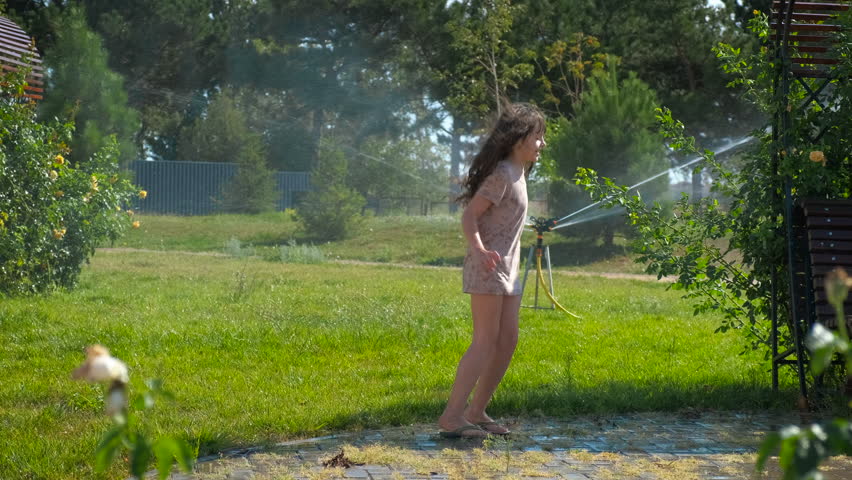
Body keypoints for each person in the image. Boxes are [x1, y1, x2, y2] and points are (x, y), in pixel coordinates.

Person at [438, 102, 546, 438]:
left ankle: (477, 410)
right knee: (485, 341)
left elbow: (505, 217)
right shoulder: (501, 174)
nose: (543, 144)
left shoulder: (519, 172)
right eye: (538, 137)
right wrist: (480, 249)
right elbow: (470, 216)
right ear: (519, 140)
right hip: (488, 266)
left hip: (507, 270)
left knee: (508, 340)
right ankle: (452, 417)